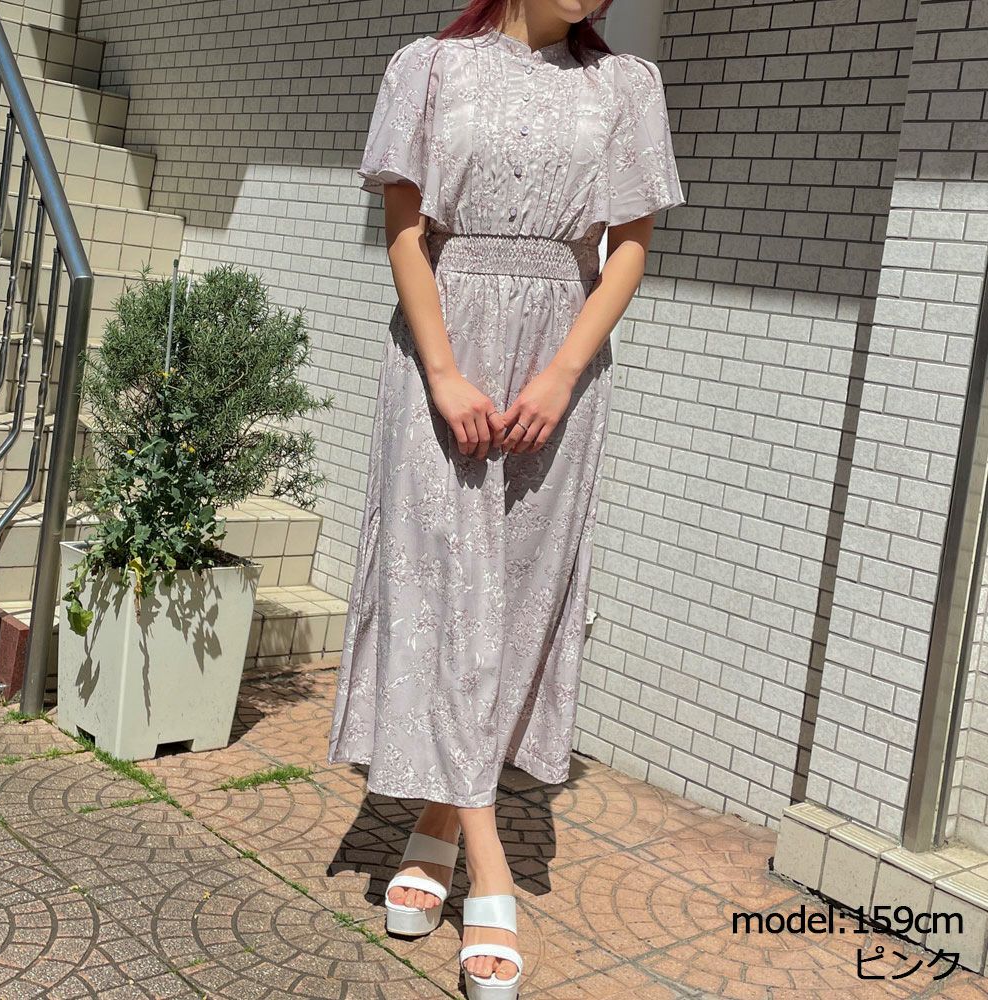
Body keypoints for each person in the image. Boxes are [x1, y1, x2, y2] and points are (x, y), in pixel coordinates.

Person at [328, 1, 685, 995]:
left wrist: (564, 375)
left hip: (556, 369)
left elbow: (629, 246)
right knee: (444, 597)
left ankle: (436, 828)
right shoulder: (429, 68)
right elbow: (407, 231)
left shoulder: (626, 86)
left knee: (518, 605)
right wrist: (443, 374)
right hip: (441, 355)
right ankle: (489, 874)